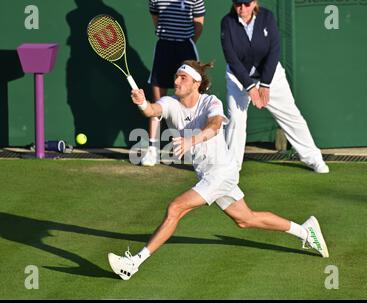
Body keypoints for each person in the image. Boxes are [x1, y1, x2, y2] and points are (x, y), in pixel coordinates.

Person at [107, 60, 329, 280]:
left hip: (221, 172)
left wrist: (192, 140)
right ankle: (305, 231)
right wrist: (142, 103)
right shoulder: (170, 102)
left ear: (196, 83)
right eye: (176, 76)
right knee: (245, 219)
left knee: (176, 208)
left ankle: (133, 263)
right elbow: (151, 110)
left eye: (182, 77)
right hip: (208, 174)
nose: (176, 81)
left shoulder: (211, 102)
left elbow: (213, 126)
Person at [221, 0, 330, 173]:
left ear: (255, 2)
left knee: (291, 115)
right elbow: (231, 58)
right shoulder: (227, 22)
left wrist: (265, 84)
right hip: (238, 78)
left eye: (246, 4)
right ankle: (231, 169)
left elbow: (274, 50)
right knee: (235, 119)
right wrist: (250, 87)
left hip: (270, 75)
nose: (242, 8)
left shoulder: (267, 17)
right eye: (237, 4)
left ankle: (314, 158)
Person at [141, 0, 206, 166]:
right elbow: (155, 18)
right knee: (157, 101)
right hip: (164, 47)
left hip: (186, 46)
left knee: (193, 100)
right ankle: (153, 149)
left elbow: (199, 23)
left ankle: (196, 147)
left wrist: (187, 42)